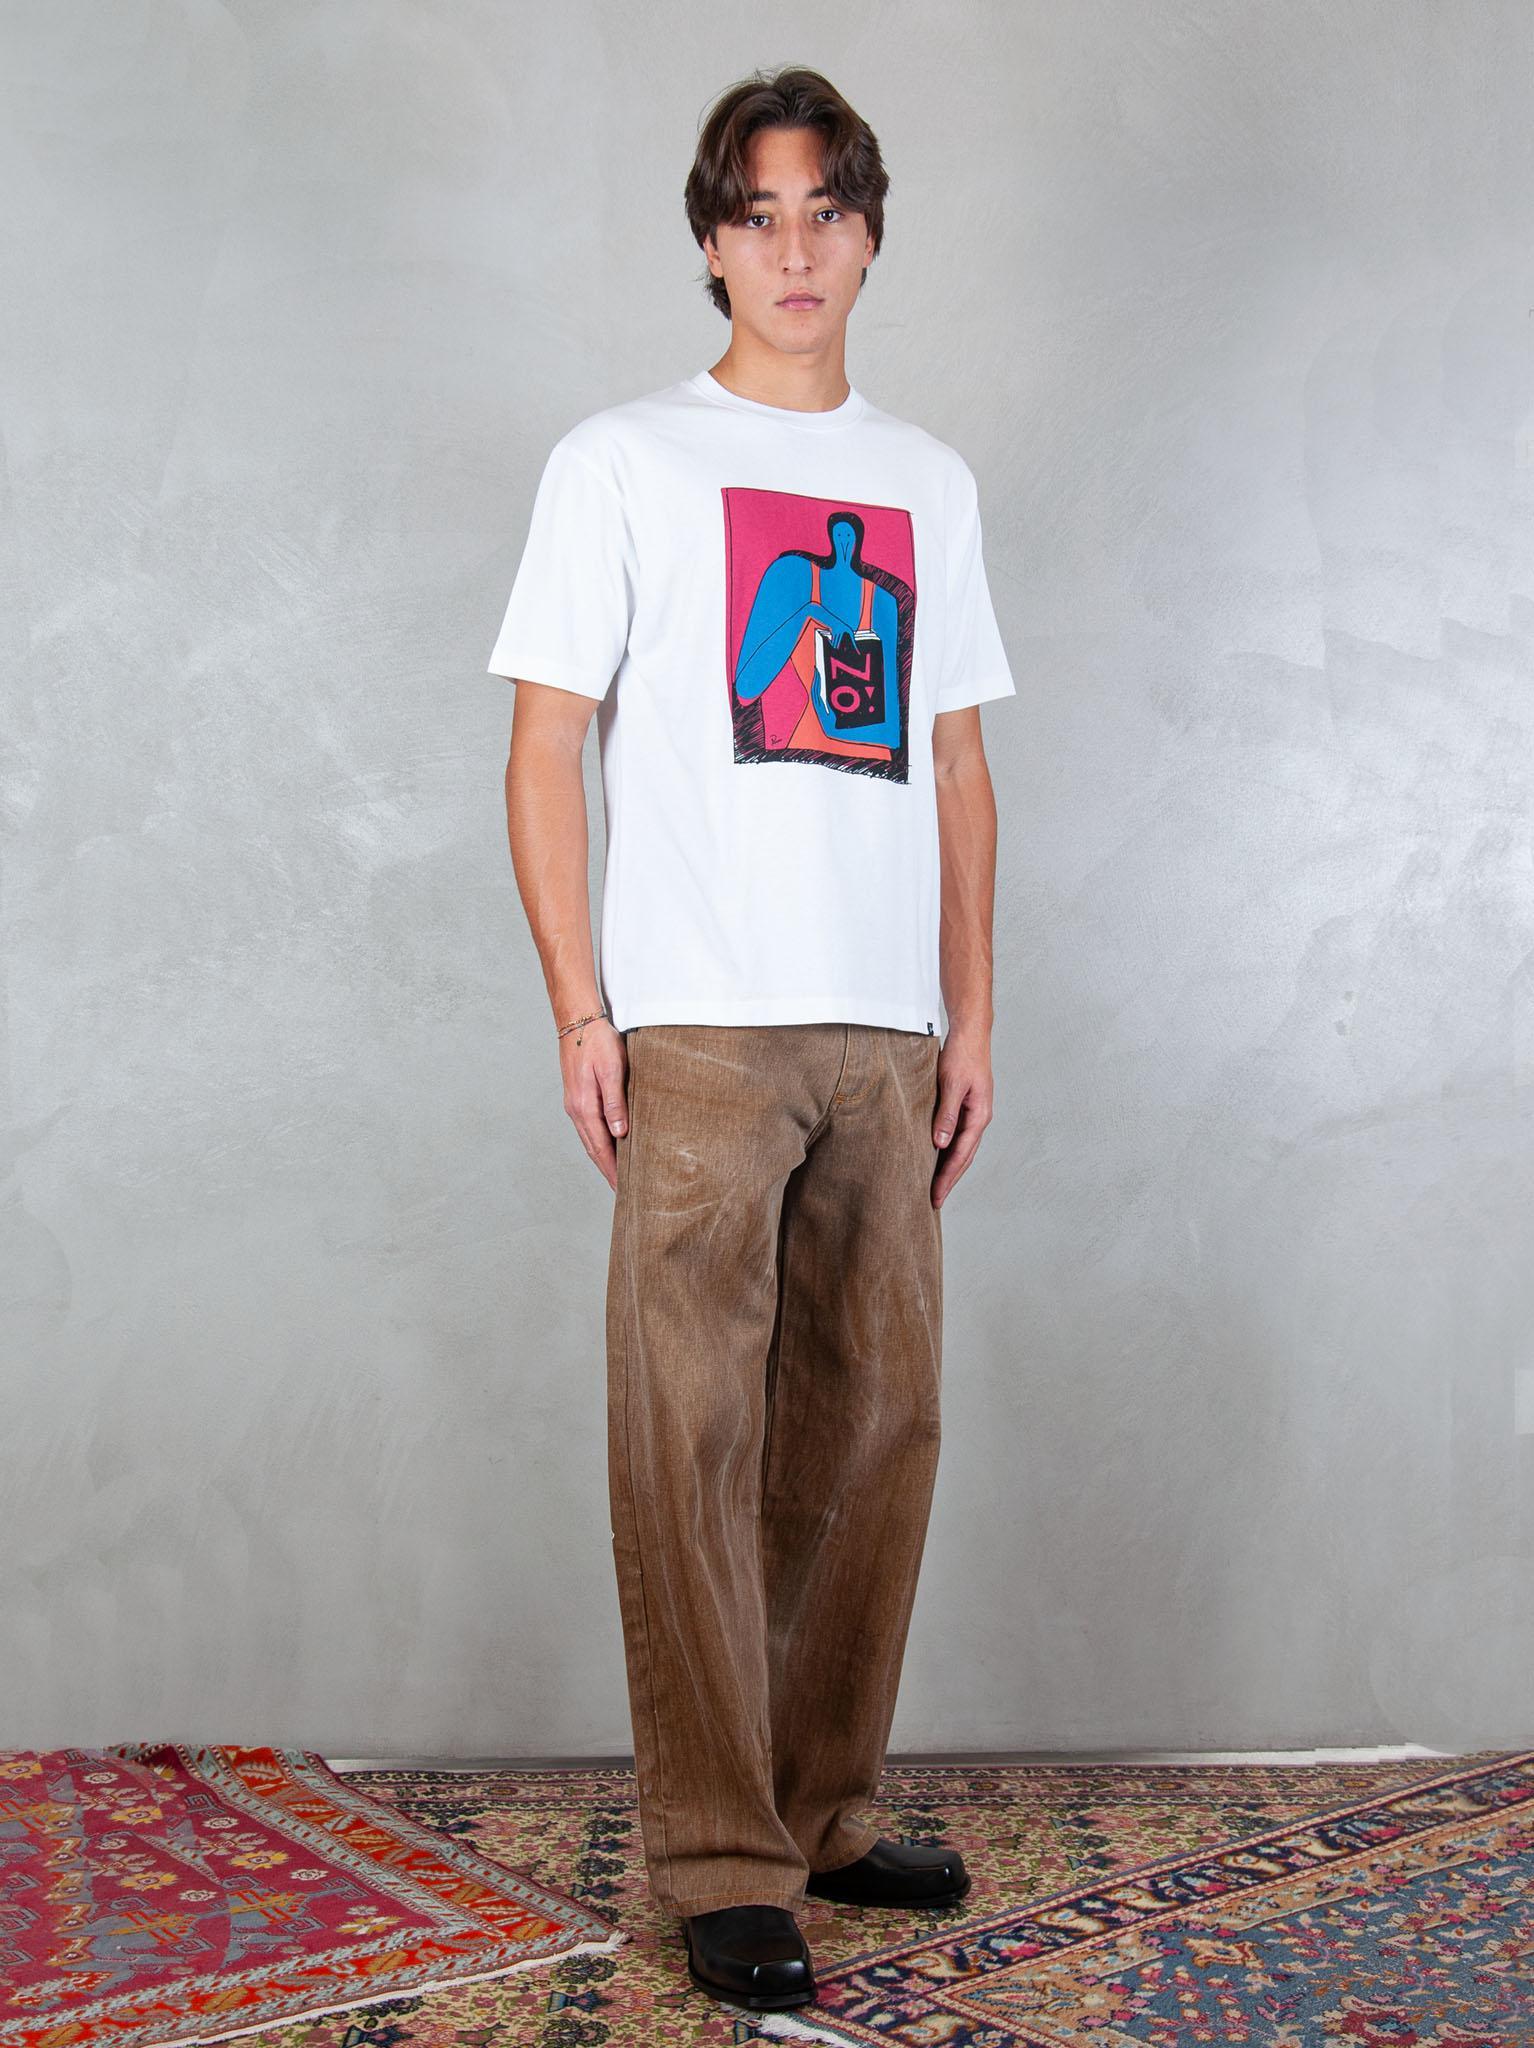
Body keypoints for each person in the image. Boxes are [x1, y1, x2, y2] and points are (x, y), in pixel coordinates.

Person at [488, 64, 1017, 2019]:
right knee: (692, 1442)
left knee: (874, 1431)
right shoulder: (621, 459)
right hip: (699, 1027)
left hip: (885, 1033)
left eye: (824, 213)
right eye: (755, 215)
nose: (792, 250)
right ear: (711, 243)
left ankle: (823, 1806)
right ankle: (721, 1858)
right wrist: (580, 1004)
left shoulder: (927, 478)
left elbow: (955, 761)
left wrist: (971, 1011)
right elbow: (546, 742)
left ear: (868, 237)